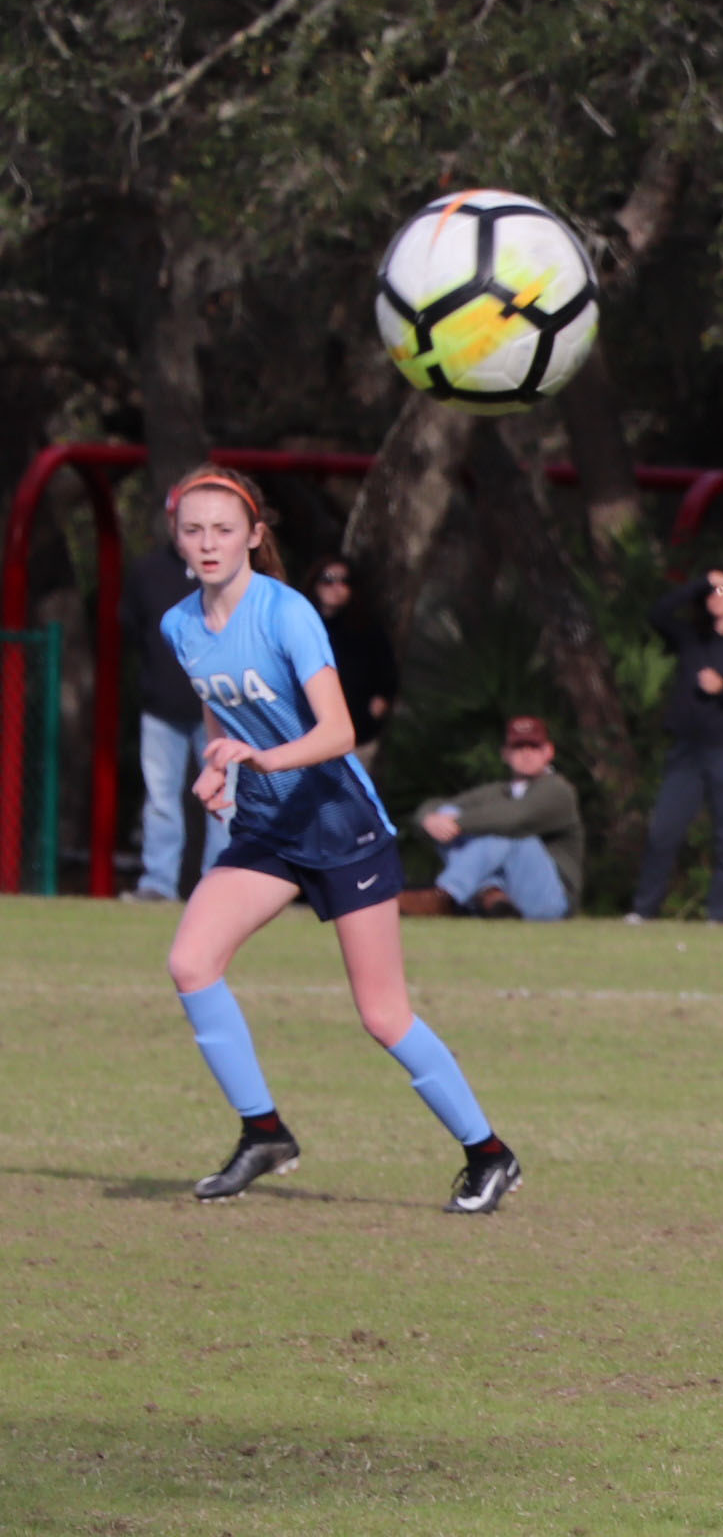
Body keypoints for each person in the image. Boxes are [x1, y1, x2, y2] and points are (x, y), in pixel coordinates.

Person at [156, 465, 521, 1213]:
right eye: (193, 529)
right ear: (178, 539)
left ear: (255, 536)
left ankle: (489, 1153)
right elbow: (220, 707)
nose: (208, 542)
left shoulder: (285, 612)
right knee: (191, 961)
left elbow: (339, 731)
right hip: (266, 826)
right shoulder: (179, 623)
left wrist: (260, 757)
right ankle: (264, 1132)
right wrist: (217, 764)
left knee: (383, 1013)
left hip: (339, 825)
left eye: (224, 528)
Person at [630, 565, 723, 923]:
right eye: (712, 593)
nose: (717, 599)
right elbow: (657, 613)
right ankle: (644, 909)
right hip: (688, 749)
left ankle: (718, 915)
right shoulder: (691, 637)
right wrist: (701, 582)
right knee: (663, 829)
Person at [120, 534, 227, 899]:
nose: (205, 540)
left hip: (218, 709)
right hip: (162, 710)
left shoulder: (235, 577)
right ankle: (158, 884)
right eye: (190, 525)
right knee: (161, 799)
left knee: (224, 800)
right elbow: (130, 631)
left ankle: (219, 887)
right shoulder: (148, 572)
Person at [402, 715, 582, 921]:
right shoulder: (499, 792)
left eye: (534, 747)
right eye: (519, 747)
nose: (526, 753)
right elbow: (439, 806)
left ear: (548, 751)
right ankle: (492, 897)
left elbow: (516, 818)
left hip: (551, 898)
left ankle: (447, 896)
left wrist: (456, 823)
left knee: (509, 836)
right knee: (446, 815)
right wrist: (429, 819)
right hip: (512, 893)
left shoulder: (558, 790)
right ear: (506, 753)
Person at [308, 555, 399, 769]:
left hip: (357, 735)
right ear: (315, 584)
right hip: (307, 736)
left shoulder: (366, 627)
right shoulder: (301, 625)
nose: (336, 587)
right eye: (328, 580)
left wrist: (379, 704)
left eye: (344, 581)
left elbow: (387, 673)